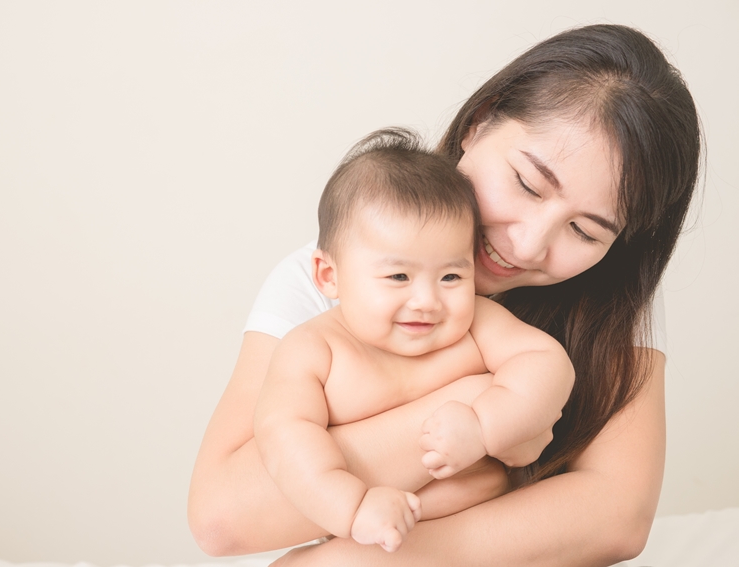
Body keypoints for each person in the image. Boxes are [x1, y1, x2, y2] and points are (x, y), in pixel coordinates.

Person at [188, 24, 701, 566]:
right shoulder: (331, 282)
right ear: (478, 123)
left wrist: (368, 560)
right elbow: (222, 519)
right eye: (528, 184)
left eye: (586, 231)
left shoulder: (610, 295)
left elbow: (616, 517)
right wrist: (482, 400)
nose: (528, 244)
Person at [254, 129, 574, 553]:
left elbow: (547, 362)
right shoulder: (313, 351)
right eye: (399, 276)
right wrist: (353, 507)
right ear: (329, 276)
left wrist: (486, 424)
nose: (427, 301)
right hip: (374, 545)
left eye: (451, 277)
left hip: (490, 543)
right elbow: (285, 437)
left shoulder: (477, 324)